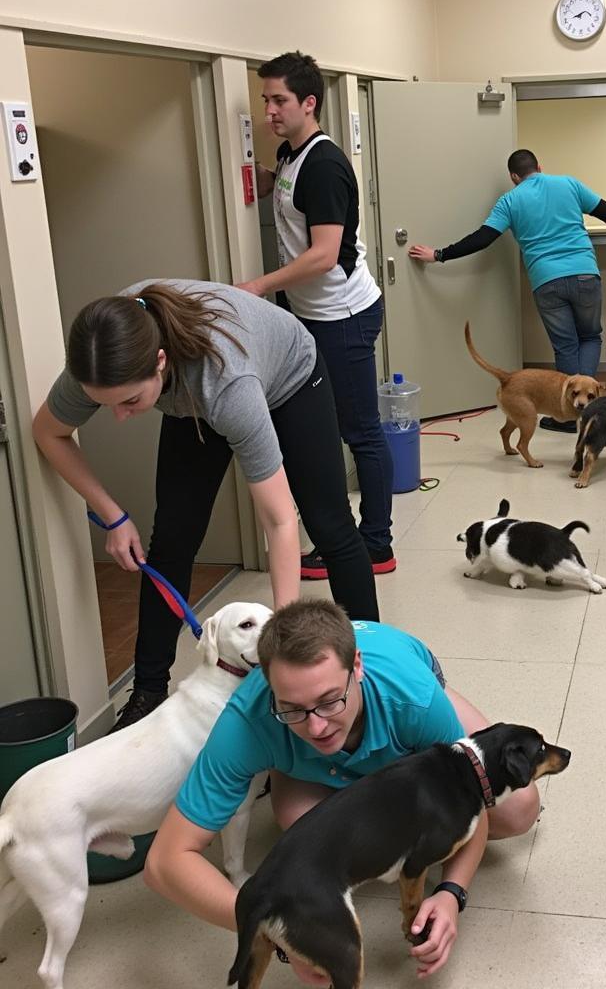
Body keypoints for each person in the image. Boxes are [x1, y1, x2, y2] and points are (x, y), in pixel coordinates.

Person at [33, 280, 379, 731]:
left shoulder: (226, 384)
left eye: (131, 402)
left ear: (160, 362)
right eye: (106, 405)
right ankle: (148, 692)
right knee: (172, 541)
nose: (119, 416)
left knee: (330, 526)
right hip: (192, 402)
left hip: (291, 378)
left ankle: (374, 670)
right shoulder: (104, 349)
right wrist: (113, 515)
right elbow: (48, 432)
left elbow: (278, 522)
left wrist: (281, 652)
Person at [144, 598, 540, 985]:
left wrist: (452, 892)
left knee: (518, 807)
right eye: (293, 708)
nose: (317, 727)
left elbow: (473, 784)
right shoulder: (246, 721)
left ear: (357, 668)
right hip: (314, 754)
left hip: (405, 687)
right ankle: (312, 762)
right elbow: (164, 863)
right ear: (266, 686)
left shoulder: (413, 699)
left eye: (330, 701)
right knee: (301, 823)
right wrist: (274, 928)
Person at [238, 50, 396, 579]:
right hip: (310, 315)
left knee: (360, 430)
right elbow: (284, 196)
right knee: (322, 429)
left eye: (279, 100)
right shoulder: (290, 155)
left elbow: (324, 255)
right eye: (265, 100)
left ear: (309, 102)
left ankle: (376, 544)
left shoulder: (325, 164)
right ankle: (337, 534)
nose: (269, 111)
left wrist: (258, 286)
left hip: (342, 315)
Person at [408, 149, 606, 432]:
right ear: (539, 166)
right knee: (590, 336)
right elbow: (604, 209)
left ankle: (570, 415)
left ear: (514, 177)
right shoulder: (568, 184)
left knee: (565, 344)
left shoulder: (510, 200)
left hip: (546, 280)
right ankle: (589, 408)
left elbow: (483, 238)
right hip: (585, 273)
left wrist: (438, 254)